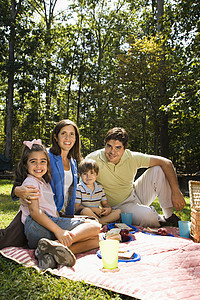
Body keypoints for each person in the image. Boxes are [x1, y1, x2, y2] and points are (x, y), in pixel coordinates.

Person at [17, 139, 100, 269]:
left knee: (96, 240)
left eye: (43, 162)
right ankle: (56, 244)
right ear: (25, 164)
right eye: (33, 162)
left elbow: (53, 211)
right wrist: (59, 231)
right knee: (94, 226)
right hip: (36, 226)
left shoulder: (44, 183)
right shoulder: (31, 183)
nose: (39, 166)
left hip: (45, 228)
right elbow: (34, 212)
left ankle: (50, 254)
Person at [0, 120, 82, 250]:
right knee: (6, 240)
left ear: (76, 138)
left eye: (72, 134)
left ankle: (57, 248)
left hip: (59, 214)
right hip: (39, 215)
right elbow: (24, 178)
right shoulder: (46, 156)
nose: (68, 138)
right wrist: (17, 190)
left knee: (88, 228)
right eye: (63, 133)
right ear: (56, 136)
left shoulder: (73, 162)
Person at [86, 127, 186, 228]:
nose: (112, 151)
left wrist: (176, 191)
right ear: (104, 144)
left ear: (124, 149)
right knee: (149, 216)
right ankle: (159, 220)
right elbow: (83, 187)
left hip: (135, 193)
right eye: (109, 146)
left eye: (118, 147)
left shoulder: (131, 157)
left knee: (158, 170)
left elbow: (166, 163)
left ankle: (169, 216)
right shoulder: (93, 160)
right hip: (119, 207)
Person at [75, 159, 121, 225]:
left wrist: (108, 209)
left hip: (98, 214)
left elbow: (105, 204)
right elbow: (76, 208)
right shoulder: (79, 188)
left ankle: (100, 222)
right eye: (85, 174)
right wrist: (93, 209)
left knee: (118, 212)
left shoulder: (99, 188)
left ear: (97, 174)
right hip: (86, 215)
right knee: (85, 211)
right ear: (80, 175)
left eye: (91, 173)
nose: (88, 176)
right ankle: (102, 223)